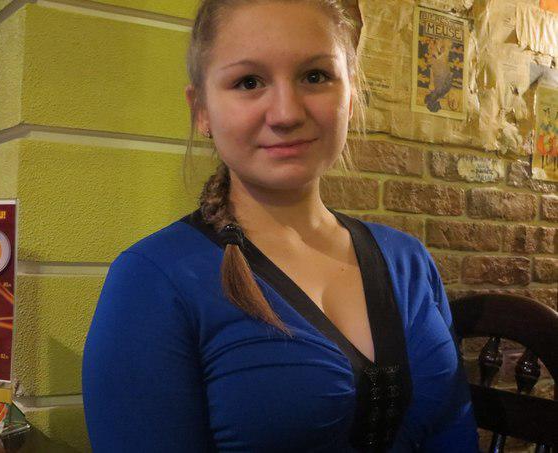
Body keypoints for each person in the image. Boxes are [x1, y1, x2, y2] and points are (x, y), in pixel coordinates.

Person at [82, 0, 480, 451]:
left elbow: (454, 434)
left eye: (315, 76)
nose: (287, 113)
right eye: (249, 82)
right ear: (202, 110)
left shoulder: (409, 262)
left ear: (350, 96)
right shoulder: (151, 280)